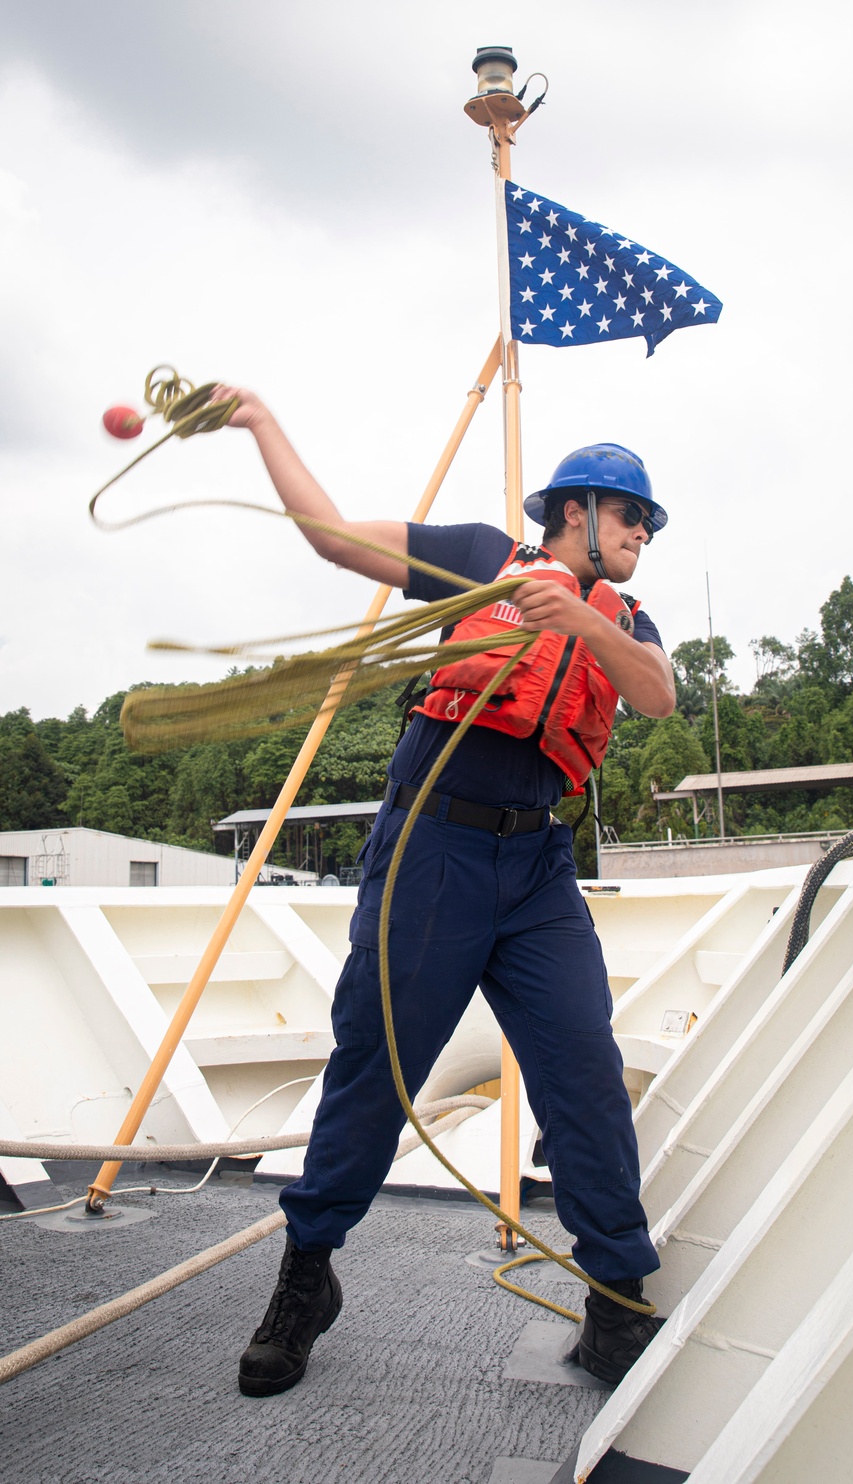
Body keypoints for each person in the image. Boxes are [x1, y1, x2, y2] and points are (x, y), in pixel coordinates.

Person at [213, 388, 676, 1396]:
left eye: (645, 520)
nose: (643, 531)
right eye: (631, 514)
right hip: (435, 847)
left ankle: (616, 1294)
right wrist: (258, 421)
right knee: (374, 1066)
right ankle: (306, 1274)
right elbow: (331, 537)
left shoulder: (628, 621)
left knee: (584, 1069)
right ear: (578, 511)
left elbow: (655, 691)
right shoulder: (480, 560)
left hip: (538, 870)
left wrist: (585, 626)